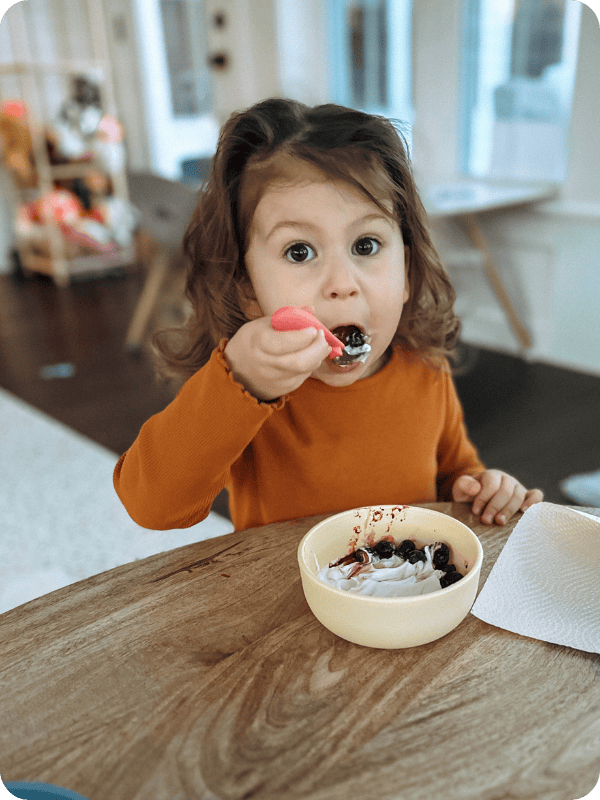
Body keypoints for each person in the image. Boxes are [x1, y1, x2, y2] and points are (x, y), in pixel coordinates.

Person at [113, 98, 543, 532]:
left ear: (407, 272)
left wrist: (482, 487)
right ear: (249, 292)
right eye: (299, 252)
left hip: (408, 595)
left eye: (366, 245)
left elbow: (453, 473)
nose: (342, 281)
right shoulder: (242, 393)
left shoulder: (426, 369)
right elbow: (153, 506)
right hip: (284, 597)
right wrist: (240, 380)